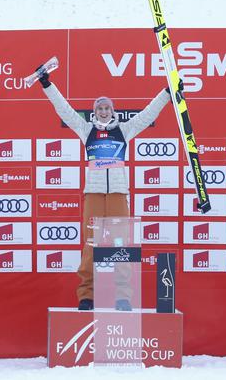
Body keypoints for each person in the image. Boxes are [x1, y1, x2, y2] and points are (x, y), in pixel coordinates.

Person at [36, 66, 172, 311]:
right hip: (94, 195)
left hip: (119, 194)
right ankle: (86, 296)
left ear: (113, 111)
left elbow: (147, 113)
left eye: (107, 107)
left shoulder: (124, 130)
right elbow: (64, 110)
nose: (103, 111)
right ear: (95, 112)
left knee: (121, 244)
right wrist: (47, 84)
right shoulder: (86, 130)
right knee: (91, 244)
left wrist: (167, 92)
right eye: (99, 108)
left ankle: (123, 298)